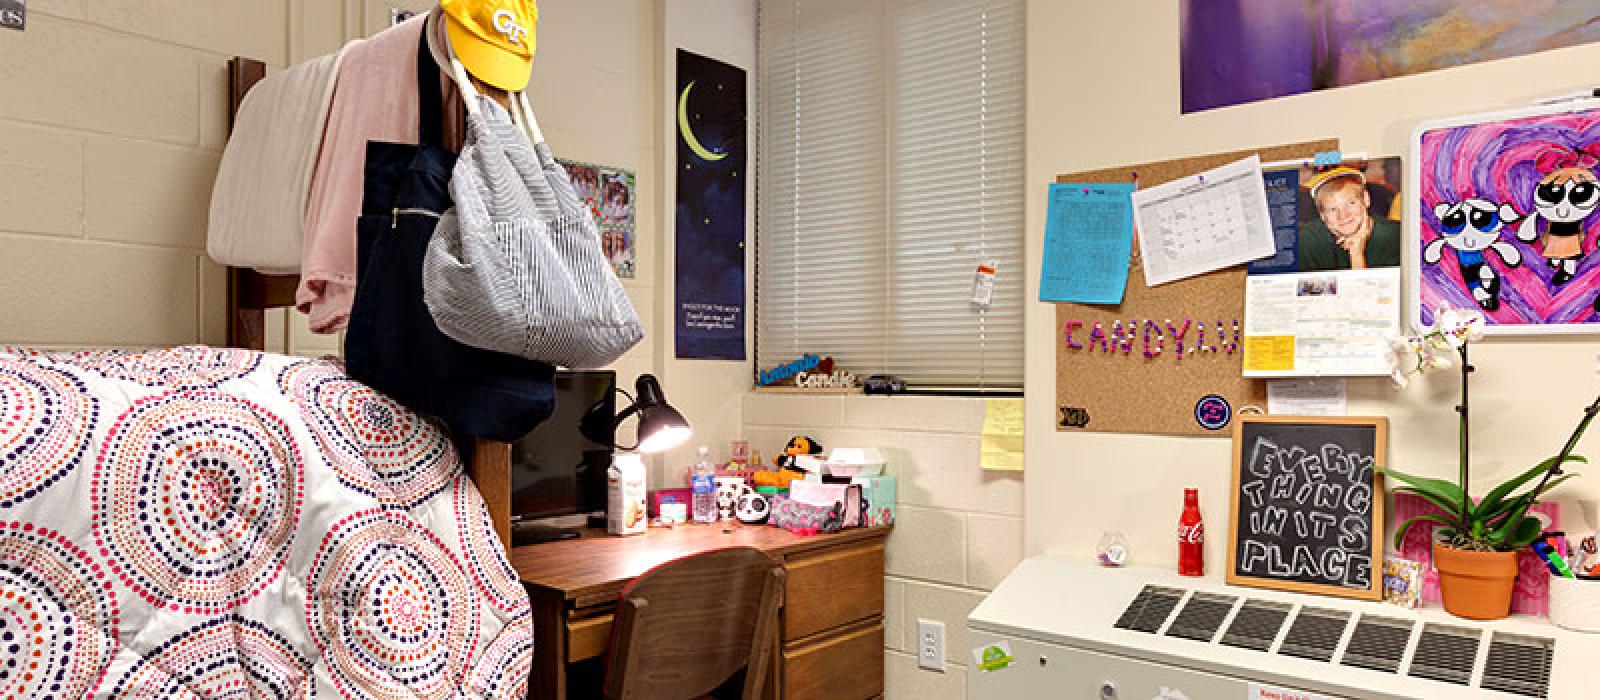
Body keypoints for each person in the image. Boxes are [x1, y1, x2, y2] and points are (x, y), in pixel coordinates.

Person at [1296, 167, 1401, 271]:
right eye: (1332, 209)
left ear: (1366, 199)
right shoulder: (1308, 241)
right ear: (1322, 215)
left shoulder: (1397, 236)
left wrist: (1356, 255)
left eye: (1351, 203)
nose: (1343, 216)